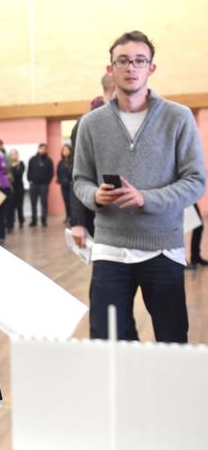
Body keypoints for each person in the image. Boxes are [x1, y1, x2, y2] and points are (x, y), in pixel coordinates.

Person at [74, 30, 205, 342]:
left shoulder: (179, 117)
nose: (131, 67)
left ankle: (170, 391)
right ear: (110, 69)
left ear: (151, 68)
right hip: (110, 249)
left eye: (139, 61)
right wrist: (95, 195)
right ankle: (124, 391)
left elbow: (195, 182)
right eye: (123, 61)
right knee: (107, 338)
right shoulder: (91, 124)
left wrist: (144, 198)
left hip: (162, 247)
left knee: (172, 338)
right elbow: (79, 180)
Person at [70, 73, 115, 247]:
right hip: (97, 209)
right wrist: (77, 221)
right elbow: (77, 174)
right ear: (114, 87)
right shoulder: (86, 123)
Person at [27, 143, 54, 226]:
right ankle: (34, 220)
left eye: (44, 149)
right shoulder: (32, 159)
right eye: (41, 148)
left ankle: (43, 220)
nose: (43, 150)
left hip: (44, 185)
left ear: (46, 150)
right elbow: (29, 171)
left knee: (44, 203)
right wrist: (30, 180)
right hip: (33, 184)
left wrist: (47, 182)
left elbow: (51, 173)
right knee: (33, 203)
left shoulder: (49, 160)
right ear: (38, 149)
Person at [8, 149, 25, 229]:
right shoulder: (8, 164)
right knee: (11, 206)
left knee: (19, 206)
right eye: (11, 154)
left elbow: (18, 174)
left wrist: (14, 167)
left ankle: (21, 221)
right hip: (10, 188)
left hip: (19, 188)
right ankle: (11, 223)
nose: (13, 156)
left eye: (14, 154)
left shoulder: (21, 164)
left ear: (17, 155)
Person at [56, 144, 73, 225]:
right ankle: (68, 216)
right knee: (66, 202)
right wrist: (59, 180)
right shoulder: (60, 162)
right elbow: (58, 173)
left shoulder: (73, 161)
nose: (65, 151)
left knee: (71, 202)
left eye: (67, 150)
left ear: (70, 151)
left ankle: (73, 217)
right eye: (64, 150)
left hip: (71, 186)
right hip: (63, 186)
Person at [187, 203, 207, 269]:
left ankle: (195, 257)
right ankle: (180, 260)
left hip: (189, 198)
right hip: (182, 197)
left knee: (199, 226)